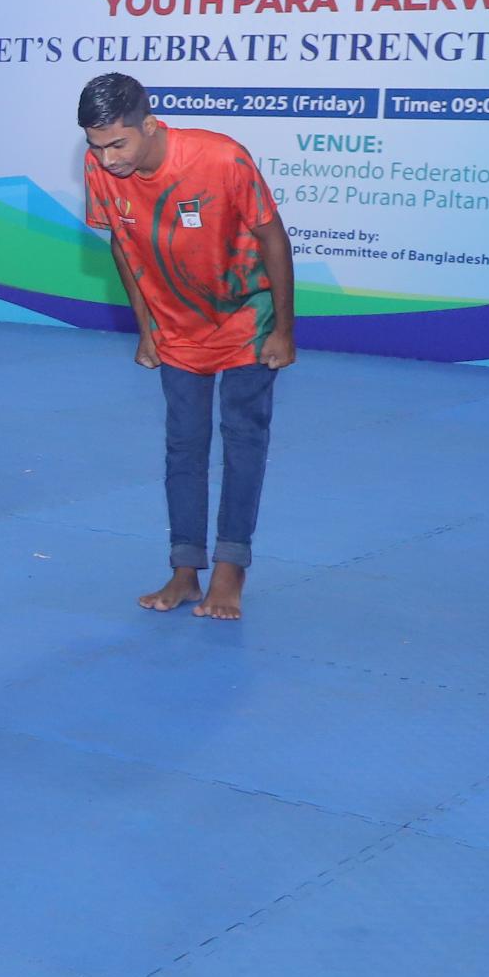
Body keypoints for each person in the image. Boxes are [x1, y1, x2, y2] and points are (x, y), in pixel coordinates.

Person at [75, 73, 297, 620]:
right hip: (176, 324)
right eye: (96, 147)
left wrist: (284, 329)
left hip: (247, 315)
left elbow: (273, 237)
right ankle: (184, 568)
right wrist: (145, 326)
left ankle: (231, 568)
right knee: (184, 444)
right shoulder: (101, 167)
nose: (106, 159)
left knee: (243, 438)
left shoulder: (221, 158)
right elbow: (122, 245)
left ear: (150, 125)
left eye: (117, 144)